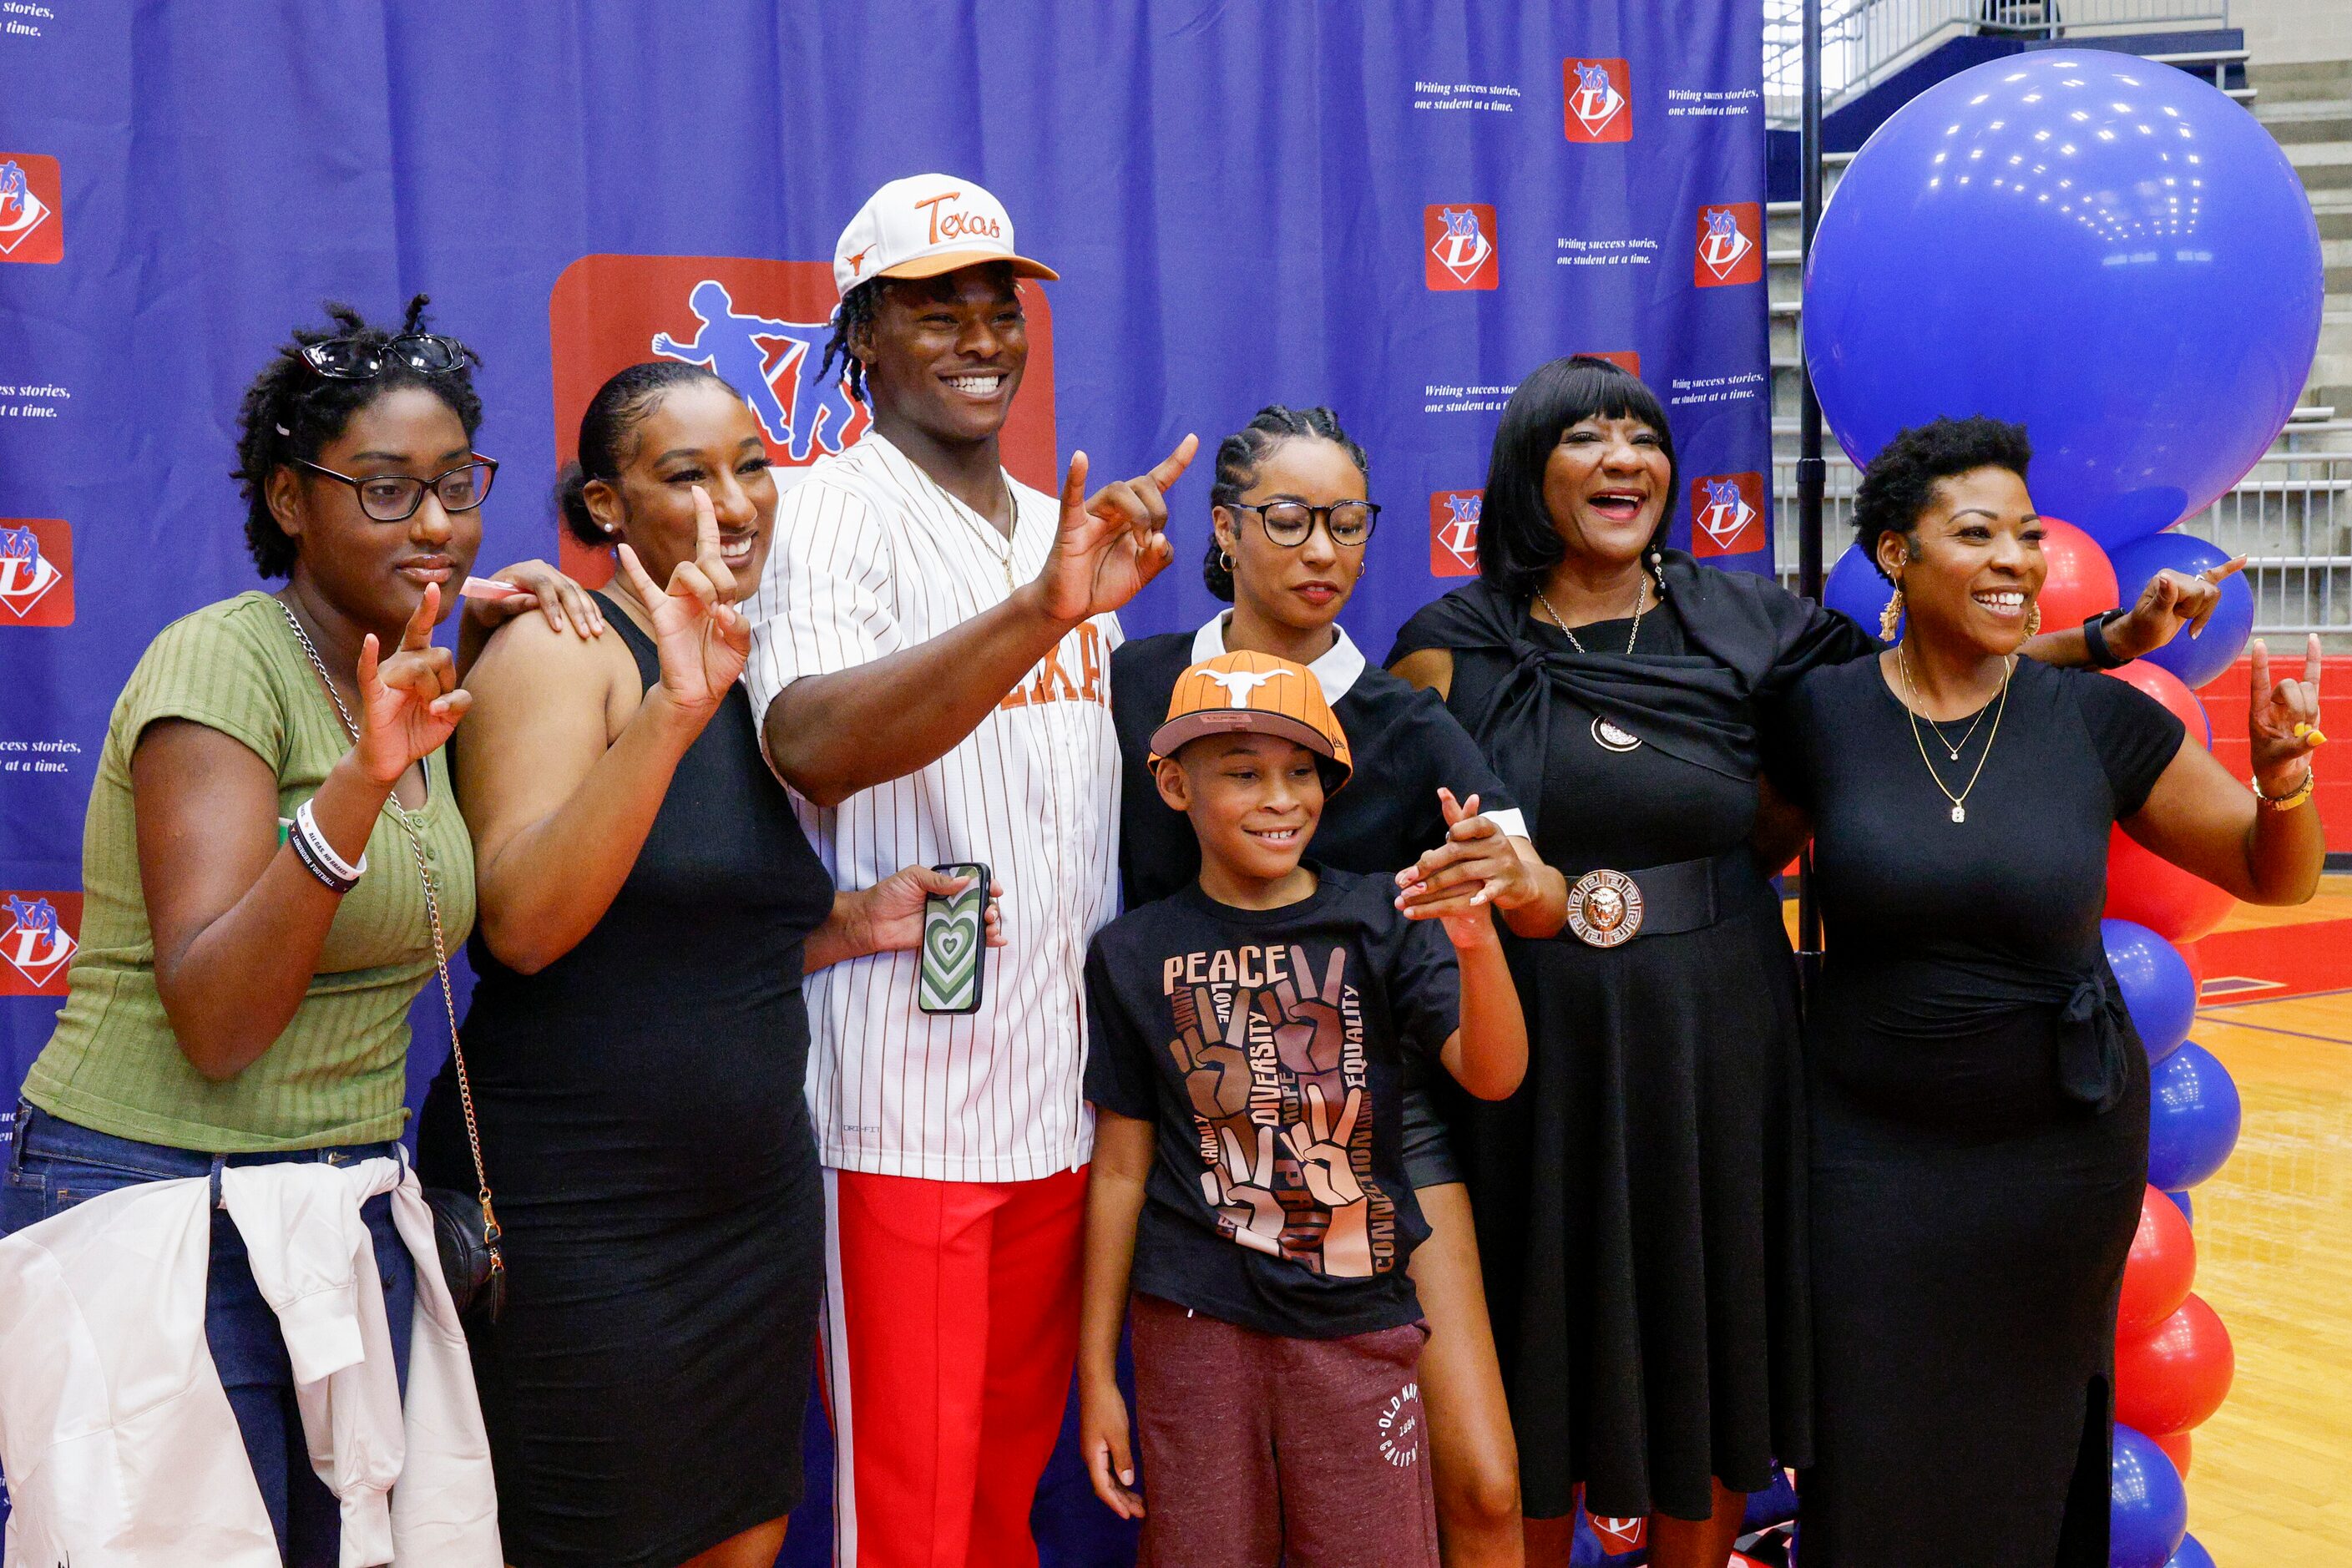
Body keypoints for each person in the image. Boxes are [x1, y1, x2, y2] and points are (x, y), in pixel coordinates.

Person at [1385, 357, 2235, 1566]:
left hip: (1720, 1042)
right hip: (1542, 1052)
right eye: (1587, 436)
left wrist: (2094, 641)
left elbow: (1919, 689)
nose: (1625, 456)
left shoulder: (1748, 624)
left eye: (1643, 436)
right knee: (1534, 1366)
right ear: (1528, 466)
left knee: (1705, 1368)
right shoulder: (1444, 646)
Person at [415, 361, 998, 1568]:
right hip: (581, 1213)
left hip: (751, 1214)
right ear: (605, 506)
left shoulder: (755, 659)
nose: (734, 500)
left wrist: (851, 921)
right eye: (685, 474)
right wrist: (673, 708)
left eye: (750, 464)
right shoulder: (560, 648)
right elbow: (520, 924)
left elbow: (684, 938)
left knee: (742, 1535)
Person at [741, 172, 1196, 1568]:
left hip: (1056, 1105)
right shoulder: (824, 508)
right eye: (936, 309)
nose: (980, 335)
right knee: (914, 1522)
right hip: (900, 1108)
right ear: (861, 334)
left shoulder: (1055, 529)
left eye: (997, 307)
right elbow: (810, 742)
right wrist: (1032, 611)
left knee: (1000, 1504)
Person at [1772, 417, 2324, 1565]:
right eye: (1974, 533)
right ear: (1894, 554)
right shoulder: (1822, 715)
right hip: (1863, 1153)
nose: (2016, 557)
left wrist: (2282, 784)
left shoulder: (2095, 722)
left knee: (2028, 1447)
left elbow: (2275, 875)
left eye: (2026, 534)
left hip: (2053, 1156)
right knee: (1868, 1438)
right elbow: (1723, 860)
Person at [0, 299, 501, 1564]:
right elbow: (217, 1018)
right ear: (290, 499)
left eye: (454, 485)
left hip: (340, 1211)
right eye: (384, 490)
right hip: (160, 1207)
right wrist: (357, 789)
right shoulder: (222, 664)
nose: (433, 522)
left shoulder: (410, 667)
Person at [1110, 404, 1556, 1565]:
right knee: (1228, 1517)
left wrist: (1518, 880)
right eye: (1290, 520)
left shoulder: (1405, 718)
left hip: (1383, 1128)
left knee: (1481, 1482)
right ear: (1226, 527)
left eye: (1347, 523)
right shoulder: (1134, 684)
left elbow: (1531, 887)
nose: (1322, 551)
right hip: (1199, 1137)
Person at [1075, 651, 1530, 1568]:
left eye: (1301, 773)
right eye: (1242, 773)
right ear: (1171, 782)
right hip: (1194, 1329)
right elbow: (1122, 1167)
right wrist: (1096, 1373)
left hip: (1359, 1322)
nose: (1279, 798)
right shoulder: (1132, 951)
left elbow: (1494, 1076)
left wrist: (1479, 947)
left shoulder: (1383, 920)